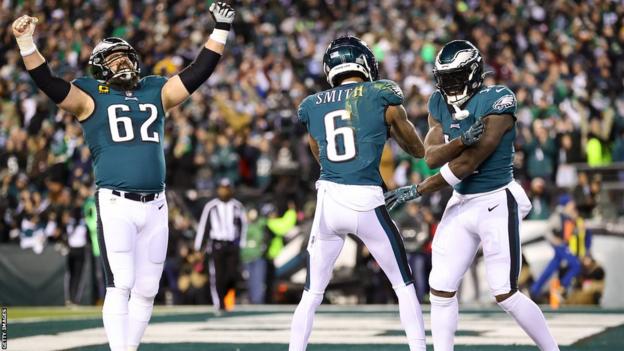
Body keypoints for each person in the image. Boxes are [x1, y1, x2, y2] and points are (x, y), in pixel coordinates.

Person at [11, 3, 235, 350]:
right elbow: (49, 83)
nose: (124, 63)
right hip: (116, 200)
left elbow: (196, 74)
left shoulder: (154, 90)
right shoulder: (90, 97)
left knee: (147, 289)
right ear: (100, 69)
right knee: (122, 283)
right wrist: (27, 43)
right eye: (114, 59)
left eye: (126, 56)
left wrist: (220, 30)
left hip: (156, 203)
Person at [385, 40, 559, 351]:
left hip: (495, 199)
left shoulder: (499, 99)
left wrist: (419, 189)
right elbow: (431, 157)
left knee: (505, 293)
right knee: (440, 289)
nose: (449, 86)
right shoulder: (438, 103)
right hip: (461, 201)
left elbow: (467, 164)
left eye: (456, 77)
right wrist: (462, 138)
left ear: (474, 73)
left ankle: (551, 349)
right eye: (445, 78)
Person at [289, 36, 427, 351]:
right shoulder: (380, 93)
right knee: (403, 285)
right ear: (364, 63)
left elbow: (319, 155)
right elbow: (417, 150)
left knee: (311, 293)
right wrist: (386, 128)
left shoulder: (312, 104)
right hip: (366, 201)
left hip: (329, 202)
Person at [194, 178, 247, 311]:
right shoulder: (211, 206)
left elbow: (243, 226)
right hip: (217, 245)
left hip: (232, 245)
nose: (224, 191)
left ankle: (227, 297)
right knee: (218, 275)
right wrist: (198, 247)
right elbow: (203, 227)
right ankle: (220, 303)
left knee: (233, 275)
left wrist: (242, 244)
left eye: (227, 188)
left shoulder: (237, 206)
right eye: (222, 188)